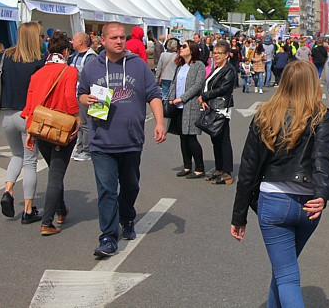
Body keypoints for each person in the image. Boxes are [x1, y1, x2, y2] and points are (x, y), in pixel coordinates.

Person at [232, 61, 329, 308]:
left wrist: (239, 216)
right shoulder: (323, 115)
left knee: (286, 274)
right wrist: (321, 194)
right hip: (309, 203)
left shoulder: (266, 114)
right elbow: (323, 159)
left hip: (274, 201)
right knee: (284, 270)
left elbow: (248, 168)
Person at [78, 22, 166, 258]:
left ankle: (127, 217)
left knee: (130, 185)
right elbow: (82, 93)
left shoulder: (138, 66)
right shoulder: (91, 67)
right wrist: (86, 99)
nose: (119, 41)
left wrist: (159, 122)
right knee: (106, 189)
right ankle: (107, 237)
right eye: (114, 38)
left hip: (131, 140)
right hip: (101, 141)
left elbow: (154, 95)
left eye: (122, 37)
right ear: (103, 41)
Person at [21, 31, 80, 236]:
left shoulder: (37, 74)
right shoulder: (69, 72)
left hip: (40, 128)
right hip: (61, 127)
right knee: (56, 174)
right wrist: (77, 119)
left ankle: (61, 210)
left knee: (55, 171)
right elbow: (69, 98)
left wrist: (30, 131)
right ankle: (47, 222)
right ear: (66, 51)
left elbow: (30, 105)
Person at [0, 21, 44, 222]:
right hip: (27, 115)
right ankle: (28, 209)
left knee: (16, 155)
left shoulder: (4, 57)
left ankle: (8, 190)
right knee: (31, 162)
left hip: (6, 113)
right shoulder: (38, 62)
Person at [199, 40, 237, 185]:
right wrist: (204, 97)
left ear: (227, 54)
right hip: (212, 107)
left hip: (221, 108)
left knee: (223, 140)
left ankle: (227, 172)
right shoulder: (216, 68)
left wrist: (205, 96)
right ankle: (219, 168)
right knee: (215, 139)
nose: (216, 56)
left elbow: (223, 88)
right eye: (214, 53)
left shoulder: (229, 70)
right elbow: (207, 84)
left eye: (220, 53)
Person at [168, 40, 207, 179]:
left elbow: (197, 85)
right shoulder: (180, 66)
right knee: (183, 137)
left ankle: (200, 168)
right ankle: (187, 166)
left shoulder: (199, 65)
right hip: (178, 106)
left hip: (190, 106)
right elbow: (174, 84)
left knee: (191, 137)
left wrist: (182, 98)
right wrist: (171, 98)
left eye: (184, 46)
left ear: (192, 49)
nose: (181, 48)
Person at [69, 32, 98, 162]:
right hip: (76, 92)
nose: (72, 42)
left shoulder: (90, 57)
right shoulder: (75, 56)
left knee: (86, 123)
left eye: (74, 40)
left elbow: (91, 77)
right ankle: (80, 147)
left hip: (86, 94)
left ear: (81, 42)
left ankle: (87, 150)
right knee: (79, 123)